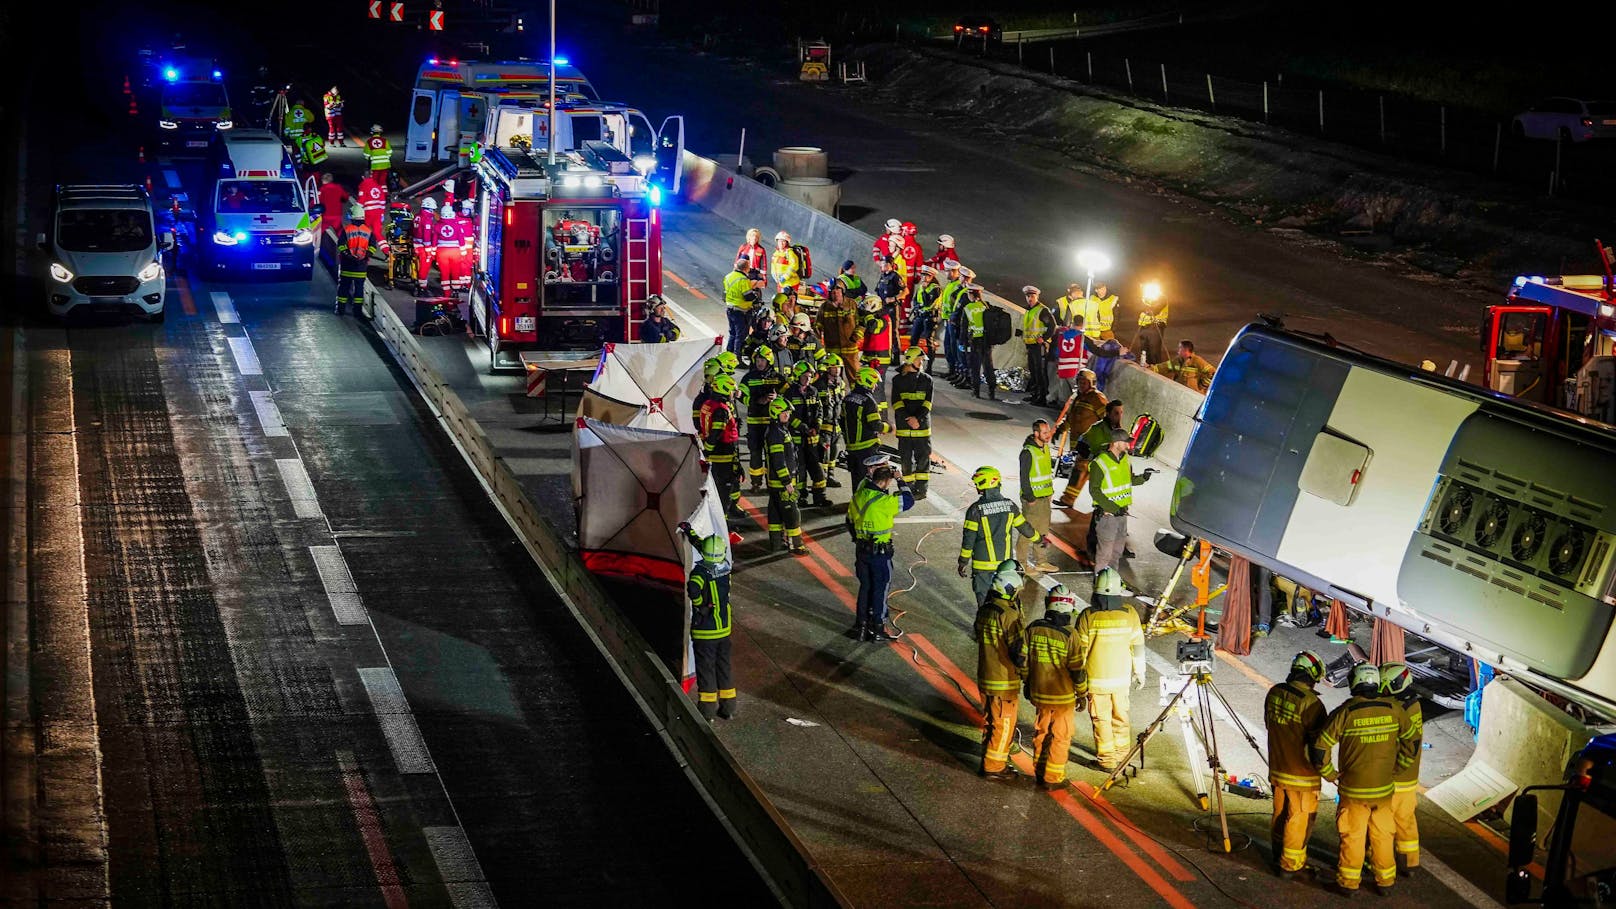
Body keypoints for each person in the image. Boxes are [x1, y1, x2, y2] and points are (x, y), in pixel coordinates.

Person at [1312, 663, 1415, 897]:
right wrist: (1398, 769)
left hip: (1354, 792)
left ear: (1354, 683)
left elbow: (1320, 747)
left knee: (1353, 837)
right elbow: (1412, 742)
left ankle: (1348, 884)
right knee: (1383, 836)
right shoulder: (1394, 709)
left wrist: (1329, 773)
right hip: (1384, 791)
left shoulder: (1345, 712)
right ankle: (1385, 882)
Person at [1074, 567, 1146, 772]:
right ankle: (1123, 756)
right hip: (1121, 681)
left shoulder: (1088, 616)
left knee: (1101, 720)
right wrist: (1139, 672)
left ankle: (1106, 761)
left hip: (1096, 682)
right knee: (1121, 717)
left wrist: (1077, 683)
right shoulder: (1129, 614)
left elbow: (1080, 653)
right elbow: (1137, 646)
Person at [1265, 650, 1328, 878]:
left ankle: (1277, 854)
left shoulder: (1275, 692)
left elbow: (1269, 724)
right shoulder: (1312, 704)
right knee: (1300, 818)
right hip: (1302, 775)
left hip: (1277, 768)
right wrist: (1329, 773)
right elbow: (1319, 745)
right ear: (1313, 675)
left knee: (1280, 814)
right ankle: (1290, 865)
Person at [1023, 584, 1085, 788]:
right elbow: (1077, 670)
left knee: (1041, 731)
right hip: (1063, 697)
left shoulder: (1033, 628)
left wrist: (1027, 682)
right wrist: (1082, 693)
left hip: (1039, 693)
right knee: (1061, 735)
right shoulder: (1070, 635)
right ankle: (1053, 777)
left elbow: (1022, 660)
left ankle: (1039, 771)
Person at [847, 454, 914, 642]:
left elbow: (850, 520)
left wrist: (860, 538)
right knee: (880, 588)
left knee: (865, 587)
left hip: (862, 549)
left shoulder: (861, 492)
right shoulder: (883, 501)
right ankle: (877, 627)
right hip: (879, 552)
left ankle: (861, 626)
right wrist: (901, 480)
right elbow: (908, 501)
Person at [677, 523, 737, 720]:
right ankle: (728, 708)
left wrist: (700, 605)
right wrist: (692, 532)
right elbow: (706, 546)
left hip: (705, 631)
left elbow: (693, 589)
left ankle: (707, 711)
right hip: (724, 629)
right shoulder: (725, 568)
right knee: (724, 668)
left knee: (706, 670)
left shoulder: (701, 572)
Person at [974, 560, 1027, 781]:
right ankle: (994, 766)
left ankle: (989, 755)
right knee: (1004, 723)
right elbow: (1018, 652)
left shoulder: (985, 610)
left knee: (990, 720)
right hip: (1003, 680)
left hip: (985, 675)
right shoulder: (1008, 615)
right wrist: (1028, 675)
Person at [960, 466, 1039, 605]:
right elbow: (1024, 528)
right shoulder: (1010, 506)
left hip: (983, 567)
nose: (976, 487)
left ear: (984, 484)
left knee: (985, 604)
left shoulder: (975, 510)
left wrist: (963, 562)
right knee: (1005, 602)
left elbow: (969, 540)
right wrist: (1039, 539)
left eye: (977, 484)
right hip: (1005, 566)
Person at [1089, 427, 1156, 571]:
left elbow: (1129, 479)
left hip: (1122, 513)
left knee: (1117, 552)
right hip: (1108, 516)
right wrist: (1113, 508)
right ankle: (1100, 582)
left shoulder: (1126, 459)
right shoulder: (1099, 463)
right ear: (1116, 443)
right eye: (1125, 442)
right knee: (1105, 554)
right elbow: (1094, 491)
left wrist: (1143, 477)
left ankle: (1112, 580)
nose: (1128, 445)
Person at [1380, 662, 1423, 877]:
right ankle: (1409, 863)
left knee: (1383, 822)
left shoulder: (1398, 710)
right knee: (1406, 821)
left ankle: (1379, 861)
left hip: (1394, 775)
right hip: (1409, 776)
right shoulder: (1412, 704)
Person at [1054, 375, 1112, 510]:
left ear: (1092, 383)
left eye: (1084, 382)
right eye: (1079, 382)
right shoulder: (1077, 397)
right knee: (1086, 473)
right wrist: (1060, 429)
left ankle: (1069, 499)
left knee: (1080, 471)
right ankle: (1100, 503)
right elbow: (1071, 418)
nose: (1081, 384)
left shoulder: (1097, 398)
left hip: (1092, 444)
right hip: (1081, 445)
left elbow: (1108, 420)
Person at [764, 397, 809, 555]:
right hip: (782, 483)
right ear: (776, 412)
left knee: (775, 513)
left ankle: (776, 543)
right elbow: (778, 461)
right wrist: (787, 482)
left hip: (775, 483)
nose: (788, 416)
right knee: (792, 513)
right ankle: (796, 545)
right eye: (785, 413)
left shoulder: (778, 429)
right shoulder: (777, 433)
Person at [783, 360, 829, 507]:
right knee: (800, 470)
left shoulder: (813, 391)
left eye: (810, 376)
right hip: (796, 438)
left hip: (812, 439)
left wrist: (817, 426)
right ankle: (801, 497)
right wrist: (803, 427)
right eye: (805, 376)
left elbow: (819, 410)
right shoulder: (789, 392)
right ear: (797, 376)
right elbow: (788, 416)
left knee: (817, 468)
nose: (808, 379)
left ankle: (820, 497)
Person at [891, 347, 934, 499]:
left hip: (921, 428)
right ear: (911, 360)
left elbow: (928, 404)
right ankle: (907, 490)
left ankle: (921, 491)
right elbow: (896, 403)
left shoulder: (927, 380)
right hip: (906, 427)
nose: (921, 362)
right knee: (905, 460)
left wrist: (917, 419)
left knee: (923, 459)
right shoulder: (897, 380)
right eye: (919, 360)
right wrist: (909, 419)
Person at [1018, 419, 1059, 574]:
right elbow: (1024, 478)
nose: (1048, 435)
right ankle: (1022, 563)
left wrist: (1050, 493)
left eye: (1048, 432)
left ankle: (1041, 561)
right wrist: (1030, 498)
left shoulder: (1045, 449)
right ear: (1036, 433)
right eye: (1044, 432)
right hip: (1033, 500)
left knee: (1042, 531)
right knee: (1027, 532)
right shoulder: (1028, 452)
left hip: (1044, 498)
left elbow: (1046, 474)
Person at [700, 373, 744, 519]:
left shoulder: (708, 404)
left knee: (717, 490)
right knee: (723, 493)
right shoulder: (721, 409)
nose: (733, 394)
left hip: (716, 454)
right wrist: (709, 450)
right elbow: (717, 433)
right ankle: (723, 525)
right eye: (731, 390)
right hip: (723, 455)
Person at [740, 346, 782, 493]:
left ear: (769, 360)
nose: (759, 362)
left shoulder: (778, 377)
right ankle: (756, 483)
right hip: (755, 422)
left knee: (773, 454)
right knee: (756, 453)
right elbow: (741, 397)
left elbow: (789, 395)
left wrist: (778, 398)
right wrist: (757, 401)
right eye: (757, 359)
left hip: (772, 422)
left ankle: (772, 483)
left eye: (762, 359)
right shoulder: (748, 378)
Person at [840, 366, 889, 488]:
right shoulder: (868, 400)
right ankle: (867, 505)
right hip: (866, 448)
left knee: (856, 479)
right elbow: (875, 425)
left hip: (851, 447)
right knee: (869, 480)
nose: (875, 386)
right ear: (867, 381)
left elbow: (842, 420)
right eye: (874, 383)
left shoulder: (847, 398)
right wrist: (889, 428)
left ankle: (857, 503)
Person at [813, 350, 846, 489]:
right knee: (824, 453)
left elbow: (841, 402)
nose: (837, 370)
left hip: (836, 424)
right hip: (825, 425)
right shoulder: (819, 385)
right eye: (834, 367)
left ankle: (830, 476)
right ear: (827, 369)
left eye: (838, 368)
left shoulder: (840, 383)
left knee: (834, 452)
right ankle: (822, 477)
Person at [1021, 285, 1055, 405]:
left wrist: (1044, 338)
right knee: (1033, 371)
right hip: (1030, 345)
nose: (1030, 298)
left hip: (1039, 346)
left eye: (1032, 296)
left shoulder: (1042, 310)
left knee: (1040, 372)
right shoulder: (1029, 310)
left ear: (1037, 296)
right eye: (1028, 296)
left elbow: (1052, 326)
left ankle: (1042, 397)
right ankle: (1034, 394)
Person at [722, 260, 764, 357]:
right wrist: (756, 298)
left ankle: (729, 354)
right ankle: (737, 358)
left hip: (730, 309)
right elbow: (748, 296)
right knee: (740, 336)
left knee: (732, 333)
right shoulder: (743, 279)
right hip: (741, 311)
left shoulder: (728, 276)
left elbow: (725, 293)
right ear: (746, 268)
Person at [818, 283, 862, 374]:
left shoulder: (851, 304)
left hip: (850, 349)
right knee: (833, 376)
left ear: (843, 291)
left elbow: (861, 322)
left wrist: (856, 336)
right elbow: (817, 326)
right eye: (833, 292)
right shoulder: (824, 307)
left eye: (838, 291)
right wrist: (818, 342)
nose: (835, 294)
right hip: (832, 349)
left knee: (855, 376)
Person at [336, 208, 372, 316]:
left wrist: (348, 255)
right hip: (361, 267)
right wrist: (365, 256)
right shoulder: (368, 231)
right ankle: (357, 311)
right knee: (359, 290)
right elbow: (373, 247)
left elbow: (341, 245)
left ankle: (341, 309)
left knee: (343, 288)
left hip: (347, 266)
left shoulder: (347, 230)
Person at [962, 285, 996, 400]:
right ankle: (991, 391)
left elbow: (964, 327)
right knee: (988, 367)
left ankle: (976, 391)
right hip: (986, 342)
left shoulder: (968, 308)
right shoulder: (986, 306)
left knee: (975, 368)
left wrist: (963, 343)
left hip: (975, 341)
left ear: (972, 294)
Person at [939, 261, 969, 380]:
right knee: (948, 347)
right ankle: (952, 370)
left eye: (947, 271)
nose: (946, 273)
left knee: (955, 348)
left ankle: (958, 372)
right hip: (948, 320)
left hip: (954, 323)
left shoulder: (958, 287)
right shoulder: (951, 285)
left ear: (954, 272)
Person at [909, 266, 943, 372]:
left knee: (929, 342)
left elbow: (928, 303)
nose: (924, 277)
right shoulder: (921, 286)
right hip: (920, 316)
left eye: (927, 275)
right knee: (913, 339)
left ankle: (929, 367)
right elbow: (915, 300)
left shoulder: (935, 288)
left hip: (930, 317)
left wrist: (924, 291)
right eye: (923, 275)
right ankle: (912, 362)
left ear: (932, 276)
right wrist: (917, 306)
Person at [859, 294, 897, 379]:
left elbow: (873, 327)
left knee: (877, 387)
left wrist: (867, 313)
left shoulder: (884, 318)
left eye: (866, 305)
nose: (864, 308)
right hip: (872, 356)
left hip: (879, 358)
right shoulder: (874, 316)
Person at [1133, 286, 1170, 366]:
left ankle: (1155, 370)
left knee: (1154, 352)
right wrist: (1144, 306)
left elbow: (1154, 310)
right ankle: (1144, 367)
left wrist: (1144, 306)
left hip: (1156, 327)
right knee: (1144, 351)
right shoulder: (1144, 298)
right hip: (1144, 327)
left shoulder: (1162, 298)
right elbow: (1136, 307)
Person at [1084, 282, 1119, 350]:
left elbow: (1116, 314)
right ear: (1096, 290)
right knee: (1095, 349)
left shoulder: (1113, 298)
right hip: (1094, 329)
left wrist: (1114, 328)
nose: (1103, 290)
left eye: (1104, 288)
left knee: (1111, 348)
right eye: (1101, 289)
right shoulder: (1092, 298)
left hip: (1107, 329)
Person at [770, 231, 804, 298]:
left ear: (787, 242)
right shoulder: (776, 253)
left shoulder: (789, 253)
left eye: (783, 241)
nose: (781, 243)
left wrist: (785, 277)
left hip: (790, 283)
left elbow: (794, 266)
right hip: (781, 283)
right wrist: (774, 275)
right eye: (779, 241)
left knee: (787, 302)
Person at [358, 171, 387, 249]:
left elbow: (361, 201)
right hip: (378, 212)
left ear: (363, 177)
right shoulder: (378, 185)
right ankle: (387, 251)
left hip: (369, 213)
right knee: (377, 233)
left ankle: (361, 249)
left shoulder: (363, 185)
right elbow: (383, 200)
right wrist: (382, 213)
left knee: (364, 230)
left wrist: (355, 210)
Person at [412, 196, 438, 280]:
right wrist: (428, 251)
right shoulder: (427, 219)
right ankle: (422, 286)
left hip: (415, 244)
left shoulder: (417, 216)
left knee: (417, 264)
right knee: (425, 266)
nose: (433, 212)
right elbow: (426, 236)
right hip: (422, 246)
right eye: (433, 209)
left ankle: (419, 282)